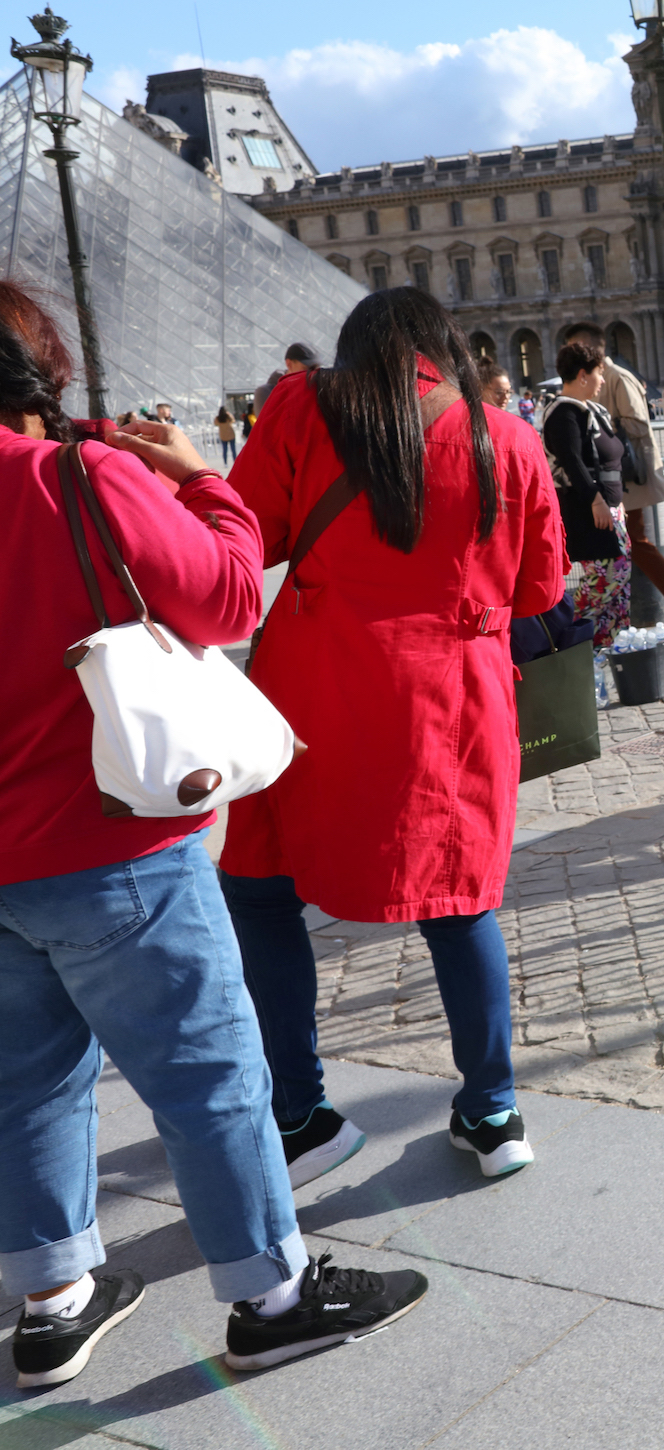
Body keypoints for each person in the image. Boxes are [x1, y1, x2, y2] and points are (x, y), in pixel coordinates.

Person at [0, 280, 427, 1387]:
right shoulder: (75, 481)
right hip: (112, 843)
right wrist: (200, 482)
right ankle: (272, 1297)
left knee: (28, 1082)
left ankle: (54, 1296)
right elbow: (232, 596)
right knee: (208, 1075)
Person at [216, 287, 566, 1185]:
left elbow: (249, 538)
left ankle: (299, 1114)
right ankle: (493, 1113)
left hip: (311, 696)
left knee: (261, 892)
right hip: (453, 705)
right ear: (445, 346)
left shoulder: (301, 407)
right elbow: (539, 593)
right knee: (458, 903)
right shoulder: (507, 437)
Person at [561, 321, 664, 633]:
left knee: (634, 543)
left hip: (629, 475)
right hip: (617, 476)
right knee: (629, 545)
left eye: (574, 347)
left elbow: (639, 423)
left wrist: (598, 428)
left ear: (591, 348)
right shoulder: (600, 379)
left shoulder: (615, 377)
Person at [543, 340, 632, 648]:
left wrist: (615, 503)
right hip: (587, 508)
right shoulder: (563, 413)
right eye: (599, 373)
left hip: (608, 507)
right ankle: (564, 628)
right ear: (583, 375)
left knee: (619, 581)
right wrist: (597, 500)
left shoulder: (590, 410)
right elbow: (572, 461)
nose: (602, 380)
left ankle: (608, 645)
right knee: (609, 575)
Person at [254, 342, 319, 414]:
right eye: (306, 368)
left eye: (315, 369)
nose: (312, 373)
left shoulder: (315, 390)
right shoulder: (266, 392)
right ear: (289, 364)